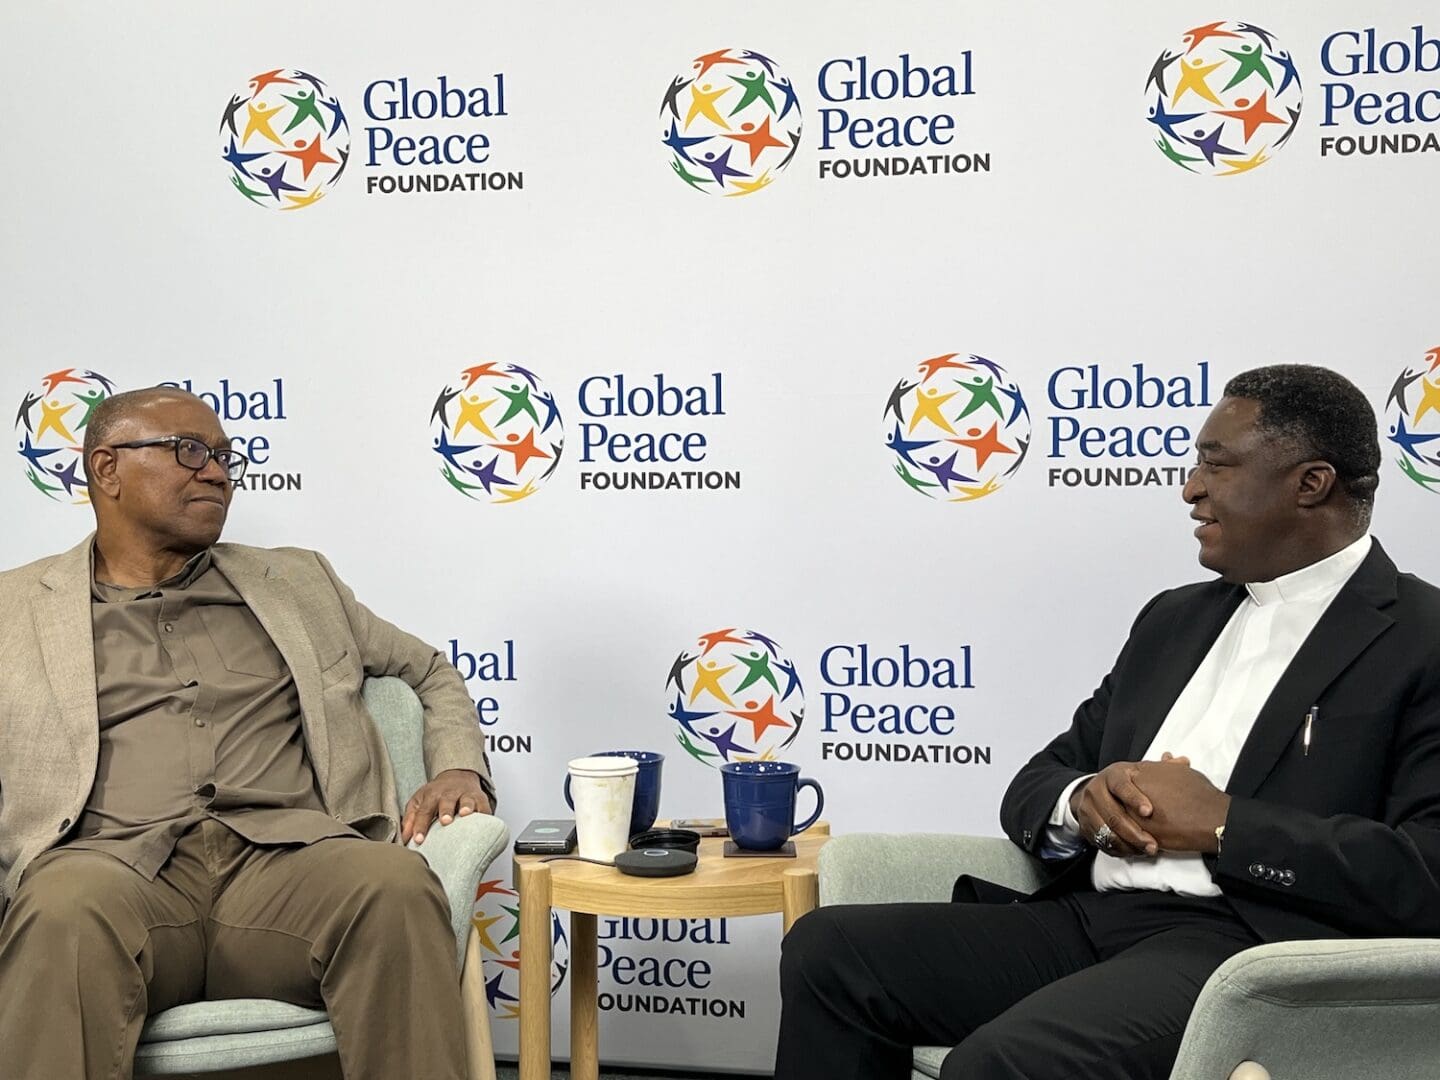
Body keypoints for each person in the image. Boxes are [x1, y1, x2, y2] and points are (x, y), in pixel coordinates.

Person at [776, 364, 1440, 1080]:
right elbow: (1040, 780)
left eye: (1216, 465)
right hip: (1087, 919)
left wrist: (1225, 825)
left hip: (1244, 950)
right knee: (830, 951)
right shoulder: (1173, 619)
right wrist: (1082, 799)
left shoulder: (1420, 636)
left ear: (1311, 484)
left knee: (1001, 1064)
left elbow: (1427, 870)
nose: (1190, 488)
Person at [0, 387, 496, 1080]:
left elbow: (431, 672)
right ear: (106, 470)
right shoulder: (13, 610)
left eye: (224, 455)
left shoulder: (298, 581)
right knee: (61, 911)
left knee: (392, 887)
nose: (216, 471)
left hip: (289, 868)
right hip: (114, 873)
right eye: (188, 451)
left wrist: (458, 770)